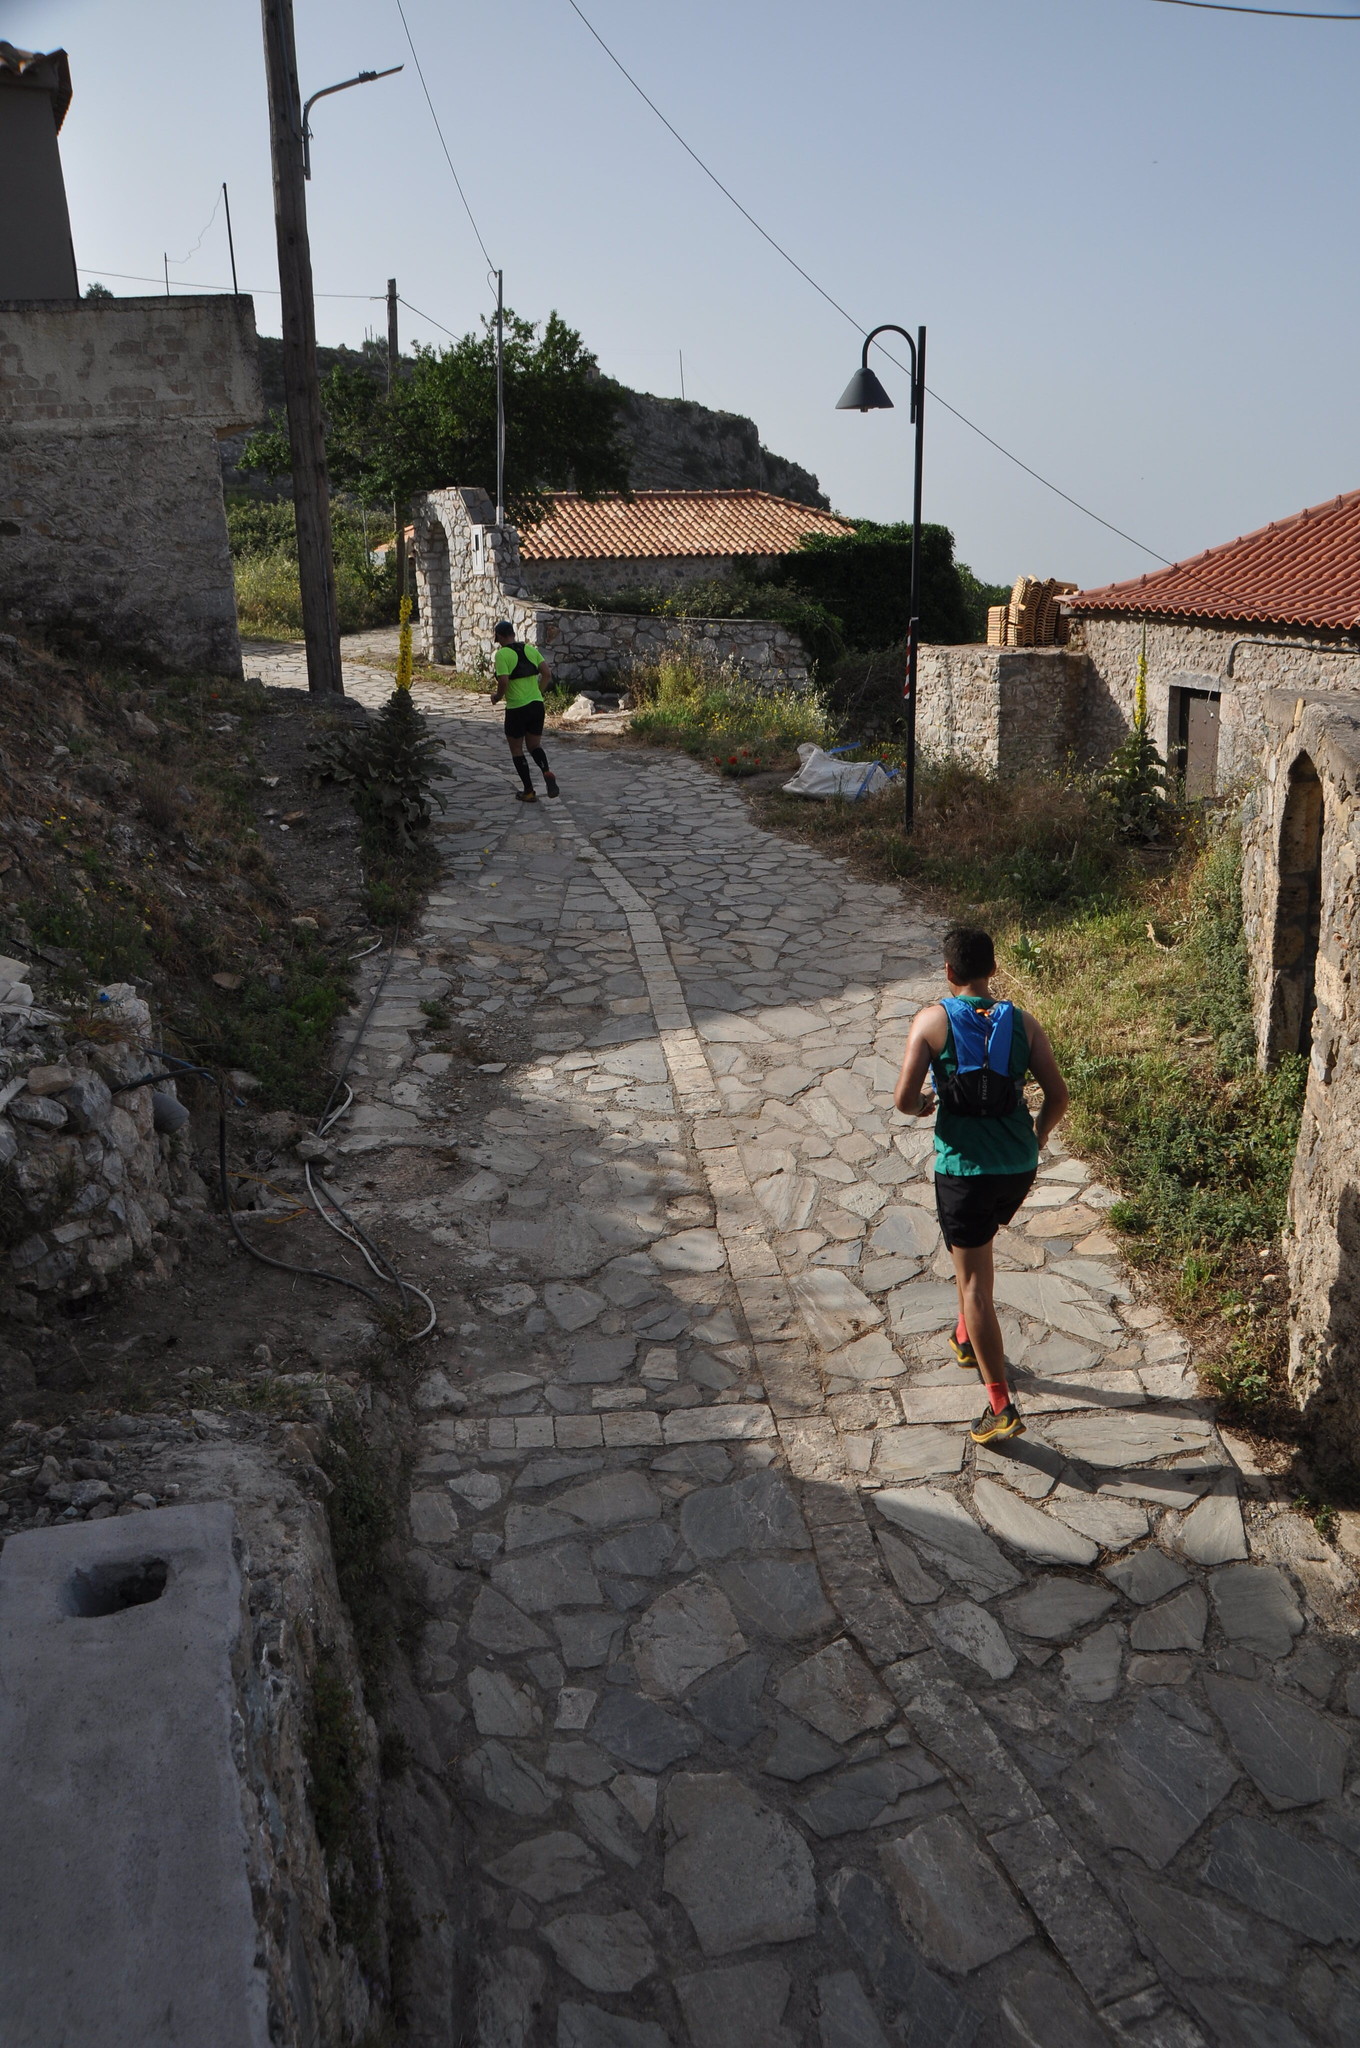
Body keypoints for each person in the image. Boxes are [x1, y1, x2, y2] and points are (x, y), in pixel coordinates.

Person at [893, 926, 1069, 1445]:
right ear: (992, 969)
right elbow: (1057, 1095)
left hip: (964, 1171)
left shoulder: (930, 1021)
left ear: (949, 972)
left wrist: (926, 1104)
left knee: (974, 1285)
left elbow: (905, 1100)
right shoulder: (1024, 1022)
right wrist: (1033, 1140)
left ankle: (1000, 1406)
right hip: (1017, 1167)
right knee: (977, 1256)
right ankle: (966, 1336)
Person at [491, 621, 558, 802]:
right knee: (534, 746)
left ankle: (528, 791)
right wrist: (538, 692)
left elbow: (503, 681)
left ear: (498, 636)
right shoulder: (530, 650)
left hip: (516, 708)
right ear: (513, 633)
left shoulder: (502, 655)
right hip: (537, 706)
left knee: (516, 749)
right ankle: (547, 772)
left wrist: (497, 697)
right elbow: (547, 674)